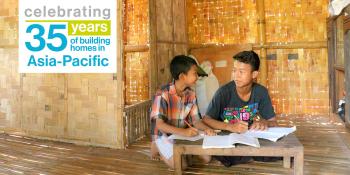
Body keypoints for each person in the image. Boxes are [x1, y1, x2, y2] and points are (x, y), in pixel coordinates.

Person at [203, 50, 279, 167]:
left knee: (275, 151)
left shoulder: (261, 92)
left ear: (254, 74)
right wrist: (230, 127)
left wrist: (264, 123)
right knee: (226, 154)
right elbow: (207, 119)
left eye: (241, 72)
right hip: (227, 139)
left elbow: (274, 122)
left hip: (249, 139)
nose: (236, 75)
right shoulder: (223, 92)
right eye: (234, 70)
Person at [150, 55, 215, 170]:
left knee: (207, 158)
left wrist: (206, 129)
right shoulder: (162, 94)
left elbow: (197, 121)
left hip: (182, 135)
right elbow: (159, 125)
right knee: (182, 165)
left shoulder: (191, 94)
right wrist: (184, 132)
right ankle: (157, 147)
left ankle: (180, 152)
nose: (197, 76)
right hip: (164, 136)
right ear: (182, 76)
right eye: (194, 73)